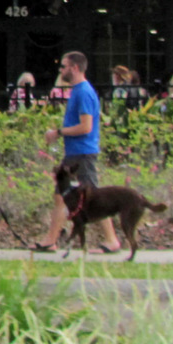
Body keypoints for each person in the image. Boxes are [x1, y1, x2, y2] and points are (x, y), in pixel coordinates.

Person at [33, 51, 121, 254]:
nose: (61, 70)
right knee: (60, 197)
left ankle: (111, 240)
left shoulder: (83, 92)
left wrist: (58, 133)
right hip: (74, 153)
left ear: (74, 68)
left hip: (82, 154)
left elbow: (86, 127)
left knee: (94, 197)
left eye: (63, 66)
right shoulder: (77, 91)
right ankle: (51, 240)